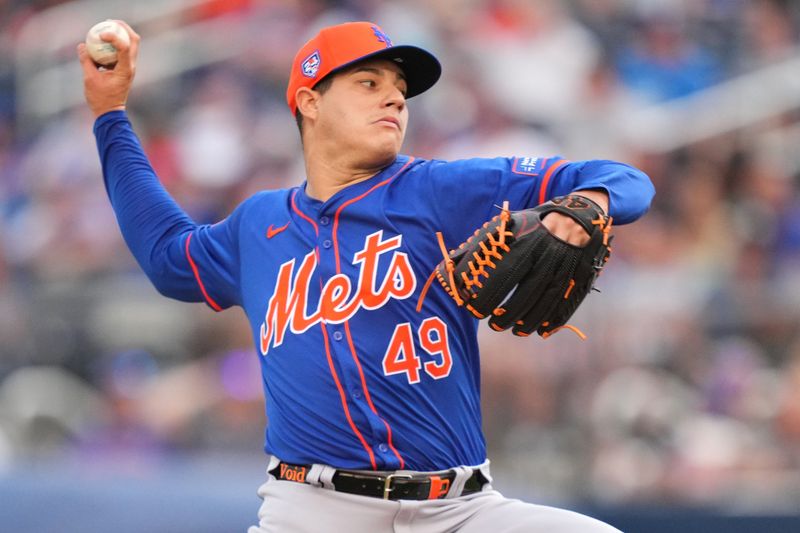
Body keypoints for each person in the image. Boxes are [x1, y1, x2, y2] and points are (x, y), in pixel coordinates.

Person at [78, 19, 654, 533]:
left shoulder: (440, 190)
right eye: (369, 84)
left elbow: (619, 175)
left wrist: (593, 202)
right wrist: (110, 113)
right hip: (312, 512)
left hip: (458, 511)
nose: (395, 101)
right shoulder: (258, 226)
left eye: (400, 91)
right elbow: (165, 255)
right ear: (309, 101)